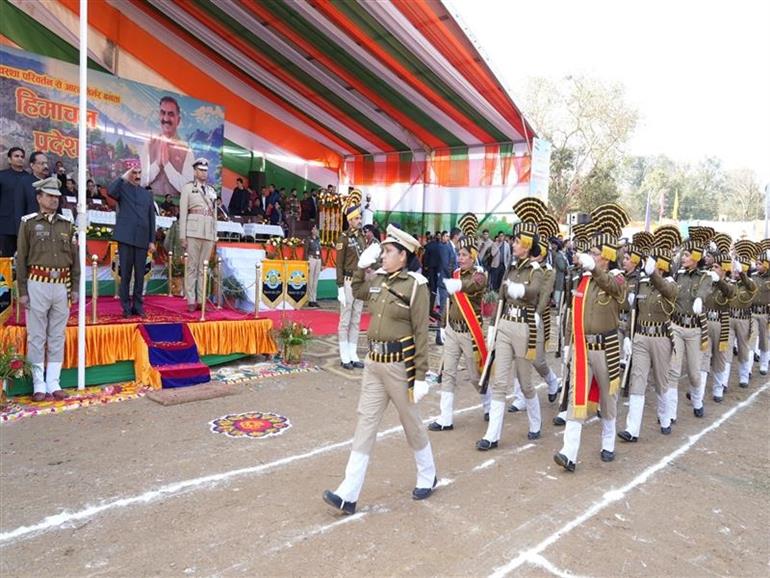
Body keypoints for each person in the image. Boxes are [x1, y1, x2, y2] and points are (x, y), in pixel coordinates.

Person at [323, 225, 437, 515]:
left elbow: (422, 332)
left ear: (403, 255)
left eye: (388, 251)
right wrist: (362, 266)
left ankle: (428, 474)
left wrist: (421, 375)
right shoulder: (381, 280)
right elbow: (359, 291)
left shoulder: (416, 285)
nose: (383, 255)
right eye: (383, 251)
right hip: (374, 363)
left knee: (410, 422)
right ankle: (349, 492)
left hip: (400, 365)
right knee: (365, 423)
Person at [554, 203, 628, 472]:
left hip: (606, 347)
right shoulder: (582, 280)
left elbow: (613, 287)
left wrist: (594, 270)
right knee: (577, 397)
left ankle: (608, 442)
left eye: (595, 253)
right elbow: (572, 314)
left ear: (607, 257)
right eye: (590, 253)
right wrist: (566, 344)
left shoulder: (618, 279)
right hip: (582, 348)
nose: (591, 257)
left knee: (608, 398)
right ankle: (569, 452)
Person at [477, 201, 545, 450]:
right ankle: (492, 435)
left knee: (525, 381)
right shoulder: (510, 268)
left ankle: (535, 423)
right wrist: (494, 326)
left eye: (517, 242)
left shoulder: (535, 270)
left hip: (524, 327)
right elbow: (503, 296)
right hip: (505, 324)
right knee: (499, 381)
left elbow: (536, 290)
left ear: (526, 245)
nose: (513, 244)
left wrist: (522, 290)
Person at [16, 177, 80, 401]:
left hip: (61, 285)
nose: (54, 200)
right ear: (39, 198)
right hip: (37, 283)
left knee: (56, 335)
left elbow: (75, 258)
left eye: (56, 196)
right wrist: (22, 290)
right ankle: (38, 384)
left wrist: (75, 286)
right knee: (36, 336)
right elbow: (21, 258)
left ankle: (54, 382)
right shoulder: (29, 223)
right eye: (50, 196)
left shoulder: (67, 224)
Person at [429, 213, 490, 431]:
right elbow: (449, 303)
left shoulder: (480, 275)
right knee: (448, 373)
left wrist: (459, 286)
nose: (460, 258)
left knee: (475, 375)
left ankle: (488, 404)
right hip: (453, 330)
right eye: (459, 254)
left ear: (473, 257)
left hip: (469, 332)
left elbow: (473, 285)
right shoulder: (455, 272)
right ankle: (446, 418)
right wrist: (443, 325)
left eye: (464, 255)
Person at [618, 229, 679, 443]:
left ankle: (664, 417)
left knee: (661, 380)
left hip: (661, 337)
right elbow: (634, 311)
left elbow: (666, 292)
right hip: (641, 336)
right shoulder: (642, 283)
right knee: (637, 379)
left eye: (655, 262)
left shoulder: (671, 284)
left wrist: (653, 274)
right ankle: (632, 429)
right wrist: (627, 335)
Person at [664, 230, 713, 424]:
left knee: (694, 372)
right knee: (673, 371)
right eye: (682, 254)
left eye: (686, 255)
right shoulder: (679, 275)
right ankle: (671, 412)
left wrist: (700, 299)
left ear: (695, 258)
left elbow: (704, 290)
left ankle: (697, 401)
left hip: (694, 330)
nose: (682, 258)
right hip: (676, 325)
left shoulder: (705, 277)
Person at [108, 166, 156, 317]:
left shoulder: (147, 194)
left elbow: (151, 218)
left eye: (139, 173)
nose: (137, 176)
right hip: (126, 237)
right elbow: (110, 191)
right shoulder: (122, 188)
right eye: (134, 173)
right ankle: (126, 307)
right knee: (126, 275)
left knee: (140, 274)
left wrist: (151, 240)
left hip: (142, 238)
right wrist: (123, 176)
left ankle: (138, 306)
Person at [179, 158, 217, 313]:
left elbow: (214, 214)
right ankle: (190, 300)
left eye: (206, 170)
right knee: (192, 268)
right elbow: (182, 213)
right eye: (201, 170)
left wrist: (215, 235)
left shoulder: (212, 191)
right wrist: (182, 235)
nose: (204, 173)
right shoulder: (188, 188)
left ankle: (201, 301)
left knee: (204, 268)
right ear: (195, 171)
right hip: (193, 231)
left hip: (208, 232)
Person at [702, 238, 737, 402]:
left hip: (722, 324)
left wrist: (720, 282)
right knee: (703, 357)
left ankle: (718, 389)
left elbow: (730, 293)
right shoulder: (708, 281)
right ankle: (698, 392)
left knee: (719, 358)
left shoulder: (729, 283)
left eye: (716, 267)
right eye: (713, 266)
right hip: (706, 321)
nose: (713, 269)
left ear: (724, 270)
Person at [141, 95, 194, 197]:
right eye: (163, 113)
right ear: (159, 116)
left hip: (175, 208)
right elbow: (141, 181)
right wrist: (157, 164)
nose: (166, 118)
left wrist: (167, 165)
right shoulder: (148, 144)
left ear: (178, 120)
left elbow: (188, 189)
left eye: (171, 114)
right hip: (148, 206)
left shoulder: (187, 151)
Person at [336, 201, 366, 369]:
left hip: (360, 282)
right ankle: (344, 355)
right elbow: (339, 264)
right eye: (356, 218)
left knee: (356, 319)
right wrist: (339, 286)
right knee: (345, 319)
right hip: (348, 282)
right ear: (350, 220)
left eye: (360, 217)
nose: (359, 220)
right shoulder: (343, 239)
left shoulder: (361, 237)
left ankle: (353, 353)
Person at [730, 240, 759, 387]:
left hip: (743, 319)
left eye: (737, 269)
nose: (734, 271)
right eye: (734, 269)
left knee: (743, 349)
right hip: (729, 319)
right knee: (726, 351)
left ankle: (744, 376)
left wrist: (741, 274)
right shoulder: (729, 283)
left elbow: (750, 286)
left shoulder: (751, 284)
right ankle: (721, 384)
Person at [0, 147, 38, 256]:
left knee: (25, 258)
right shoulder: (2, 176)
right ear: (9, 159)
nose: (20, 159)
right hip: (5, 225)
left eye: (22, 156)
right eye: (16, 156)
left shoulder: (29, 178)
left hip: (25, 225)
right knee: (6, 259)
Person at [752, 241, 770, 375]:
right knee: (751, 339)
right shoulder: (752, 276)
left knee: (764, 340)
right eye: (756, 263)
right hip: (752, 312)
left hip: (765, 313)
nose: (757, 266)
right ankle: (747, 370)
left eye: (760, 263)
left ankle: (764, 363)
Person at [304, 224, 322, 308]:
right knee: (310, 280)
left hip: (318, 259)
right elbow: (306, 251)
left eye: (317, 229)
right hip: (311, 259)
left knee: (315, 280)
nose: (316, 231)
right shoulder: (308, 239)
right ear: (312, 230)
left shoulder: (318, 240)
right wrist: (306, 261)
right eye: (314, 229)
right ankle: (310, 299)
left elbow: (320, 251)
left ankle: (314, 299)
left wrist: (322, 262)